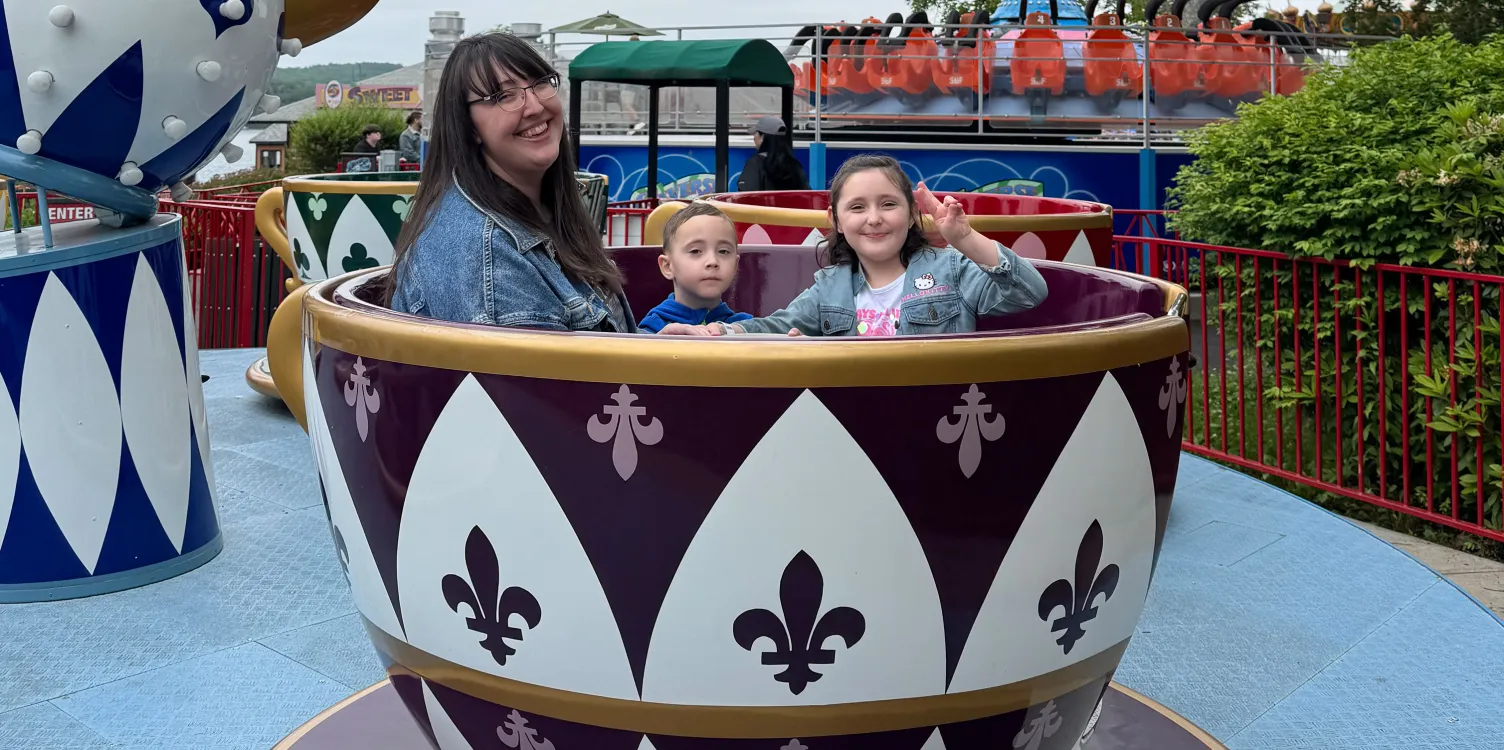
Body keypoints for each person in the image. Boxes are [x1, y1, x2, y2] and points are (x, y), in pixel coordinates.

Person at [380, 33, 634, 332]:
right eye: (503, 96)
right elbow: (551, 378)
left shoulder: (544, 208)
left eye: (540, 82)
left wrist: (656, 340)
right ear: (469, 127)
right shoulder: (486, 256)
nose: (535, 106)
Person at [660, 154, 1046, 337]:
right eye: (858, 208)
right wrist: (715, 333)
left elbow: (1030, 291)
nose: (874, 218)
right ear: (837, 222)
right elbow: (777, 326)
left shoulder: (952, 270)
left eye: (888, 204)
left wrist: (965, 239)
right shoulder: (830, 286)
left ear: (912, 213)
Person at [637, 202, 753, 333]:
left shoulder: (743, 327)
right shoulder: (653, 327)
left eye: (723, 251)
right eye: (696, 251)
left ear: (735, 265)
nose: (712, 261)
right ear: (668, 266)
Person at [737, 116, 809, 192]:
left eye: (756, 133)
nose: (754, 137)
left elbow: (747, 195)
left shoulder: (755, 163)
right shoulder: (794, 165)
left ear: (763, 137)